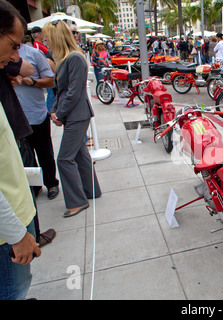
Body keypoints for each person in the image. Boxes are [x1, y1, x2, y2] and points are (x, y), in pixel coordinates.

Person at [0, 0, 42, 300]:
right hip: (8, 230)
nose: (16, 55)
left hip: (14, 218)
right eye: (13, 45)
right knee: (13, 290)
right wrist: (17, 235)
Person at [43, 20, 102, 218]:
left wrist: (58, 113)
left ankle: (77, 201)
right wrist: (55, 110)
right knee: (79, 155)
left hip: (77, 115)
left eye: (47, 37)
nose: (45, 41)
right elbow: (61, 91)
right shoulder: (67, 59)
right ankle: (91, 190)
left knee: (64, 159)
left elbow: (73, 92)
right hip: (74, 115)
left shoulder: (74, 58)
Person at [15, 42, 60, 201]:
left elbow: (51, 81)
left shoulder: (34, 54)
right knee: (25, 156)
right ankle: (34, 186)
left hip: (36, 114)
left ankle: (51, 183)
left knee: (44, 152)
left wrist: (31, 82)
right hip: (15, 118)